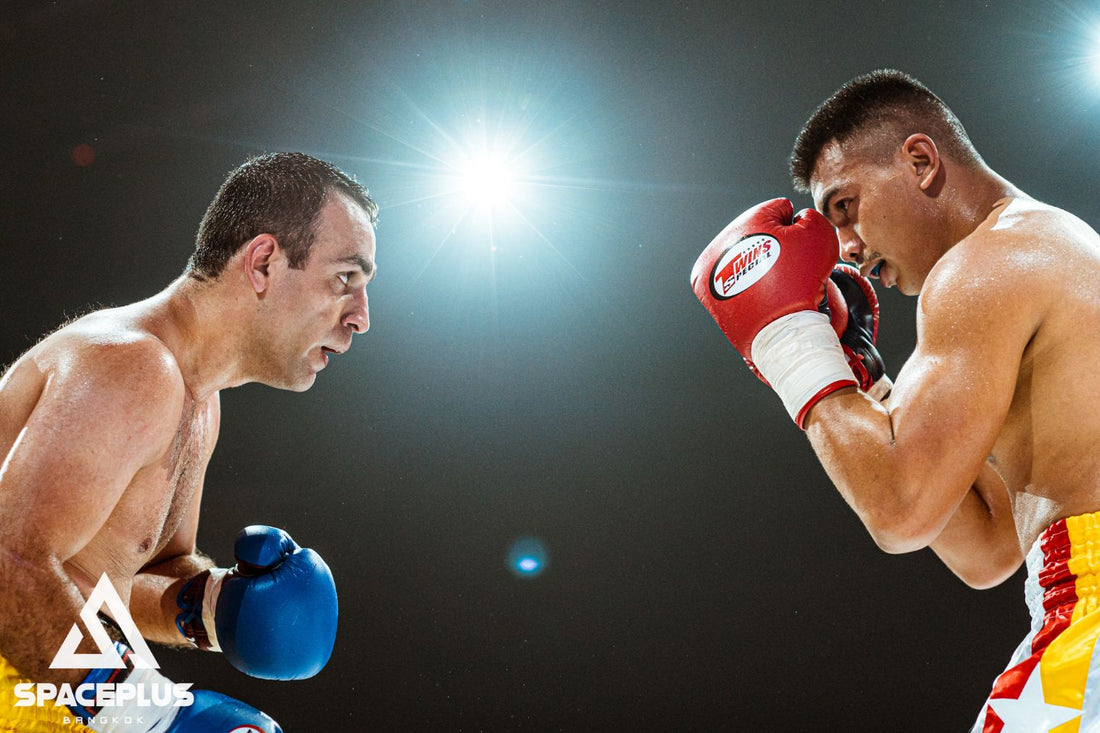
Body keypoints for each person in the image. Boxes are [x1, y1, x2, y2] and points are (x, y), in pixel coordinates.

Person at [690, 69, 1100, 731]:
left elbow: (900, 509)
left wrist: (790, 341)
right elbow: (991, 544)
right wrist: (866, 384)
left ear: (920, 160)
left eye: (846, 207)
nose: (846, 249)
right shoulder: (1055, 244)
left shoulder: (985, 265)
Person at [0, 152, 378, 732]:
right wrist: (144, 714)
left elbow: (113, 577)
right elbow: (10, 560)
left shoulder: (198, 400)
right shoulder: (131, 366)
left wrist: (217, 606)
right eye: (344, 279)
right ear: (264, 263)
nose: (361, 317)